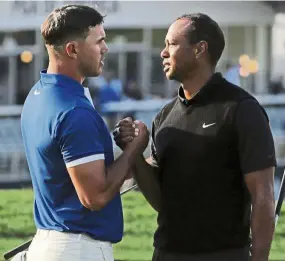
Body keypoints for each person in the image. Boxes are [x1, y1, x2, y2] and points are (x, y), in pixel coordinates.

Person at [114, 13, 276, 261]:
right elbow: (161, 200)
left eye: (172, 44)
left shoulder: (241, 109)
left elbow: (263, 196)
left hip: (224, 255)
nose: (163, 53)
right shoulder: (164, 116)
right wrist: (134, 151)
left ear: (200, 49)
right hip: (166, 254)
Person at [20, 4, 148, 261]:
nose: (105, 48)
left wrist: (116, 146)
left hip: (50, 241)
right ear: (73, 49)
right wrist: (136, 146)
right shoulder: (75, 111)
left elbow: (66, 165)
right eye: (99, 41)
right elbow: (95, 197)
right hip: (77, 248)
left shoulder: (39, 93)